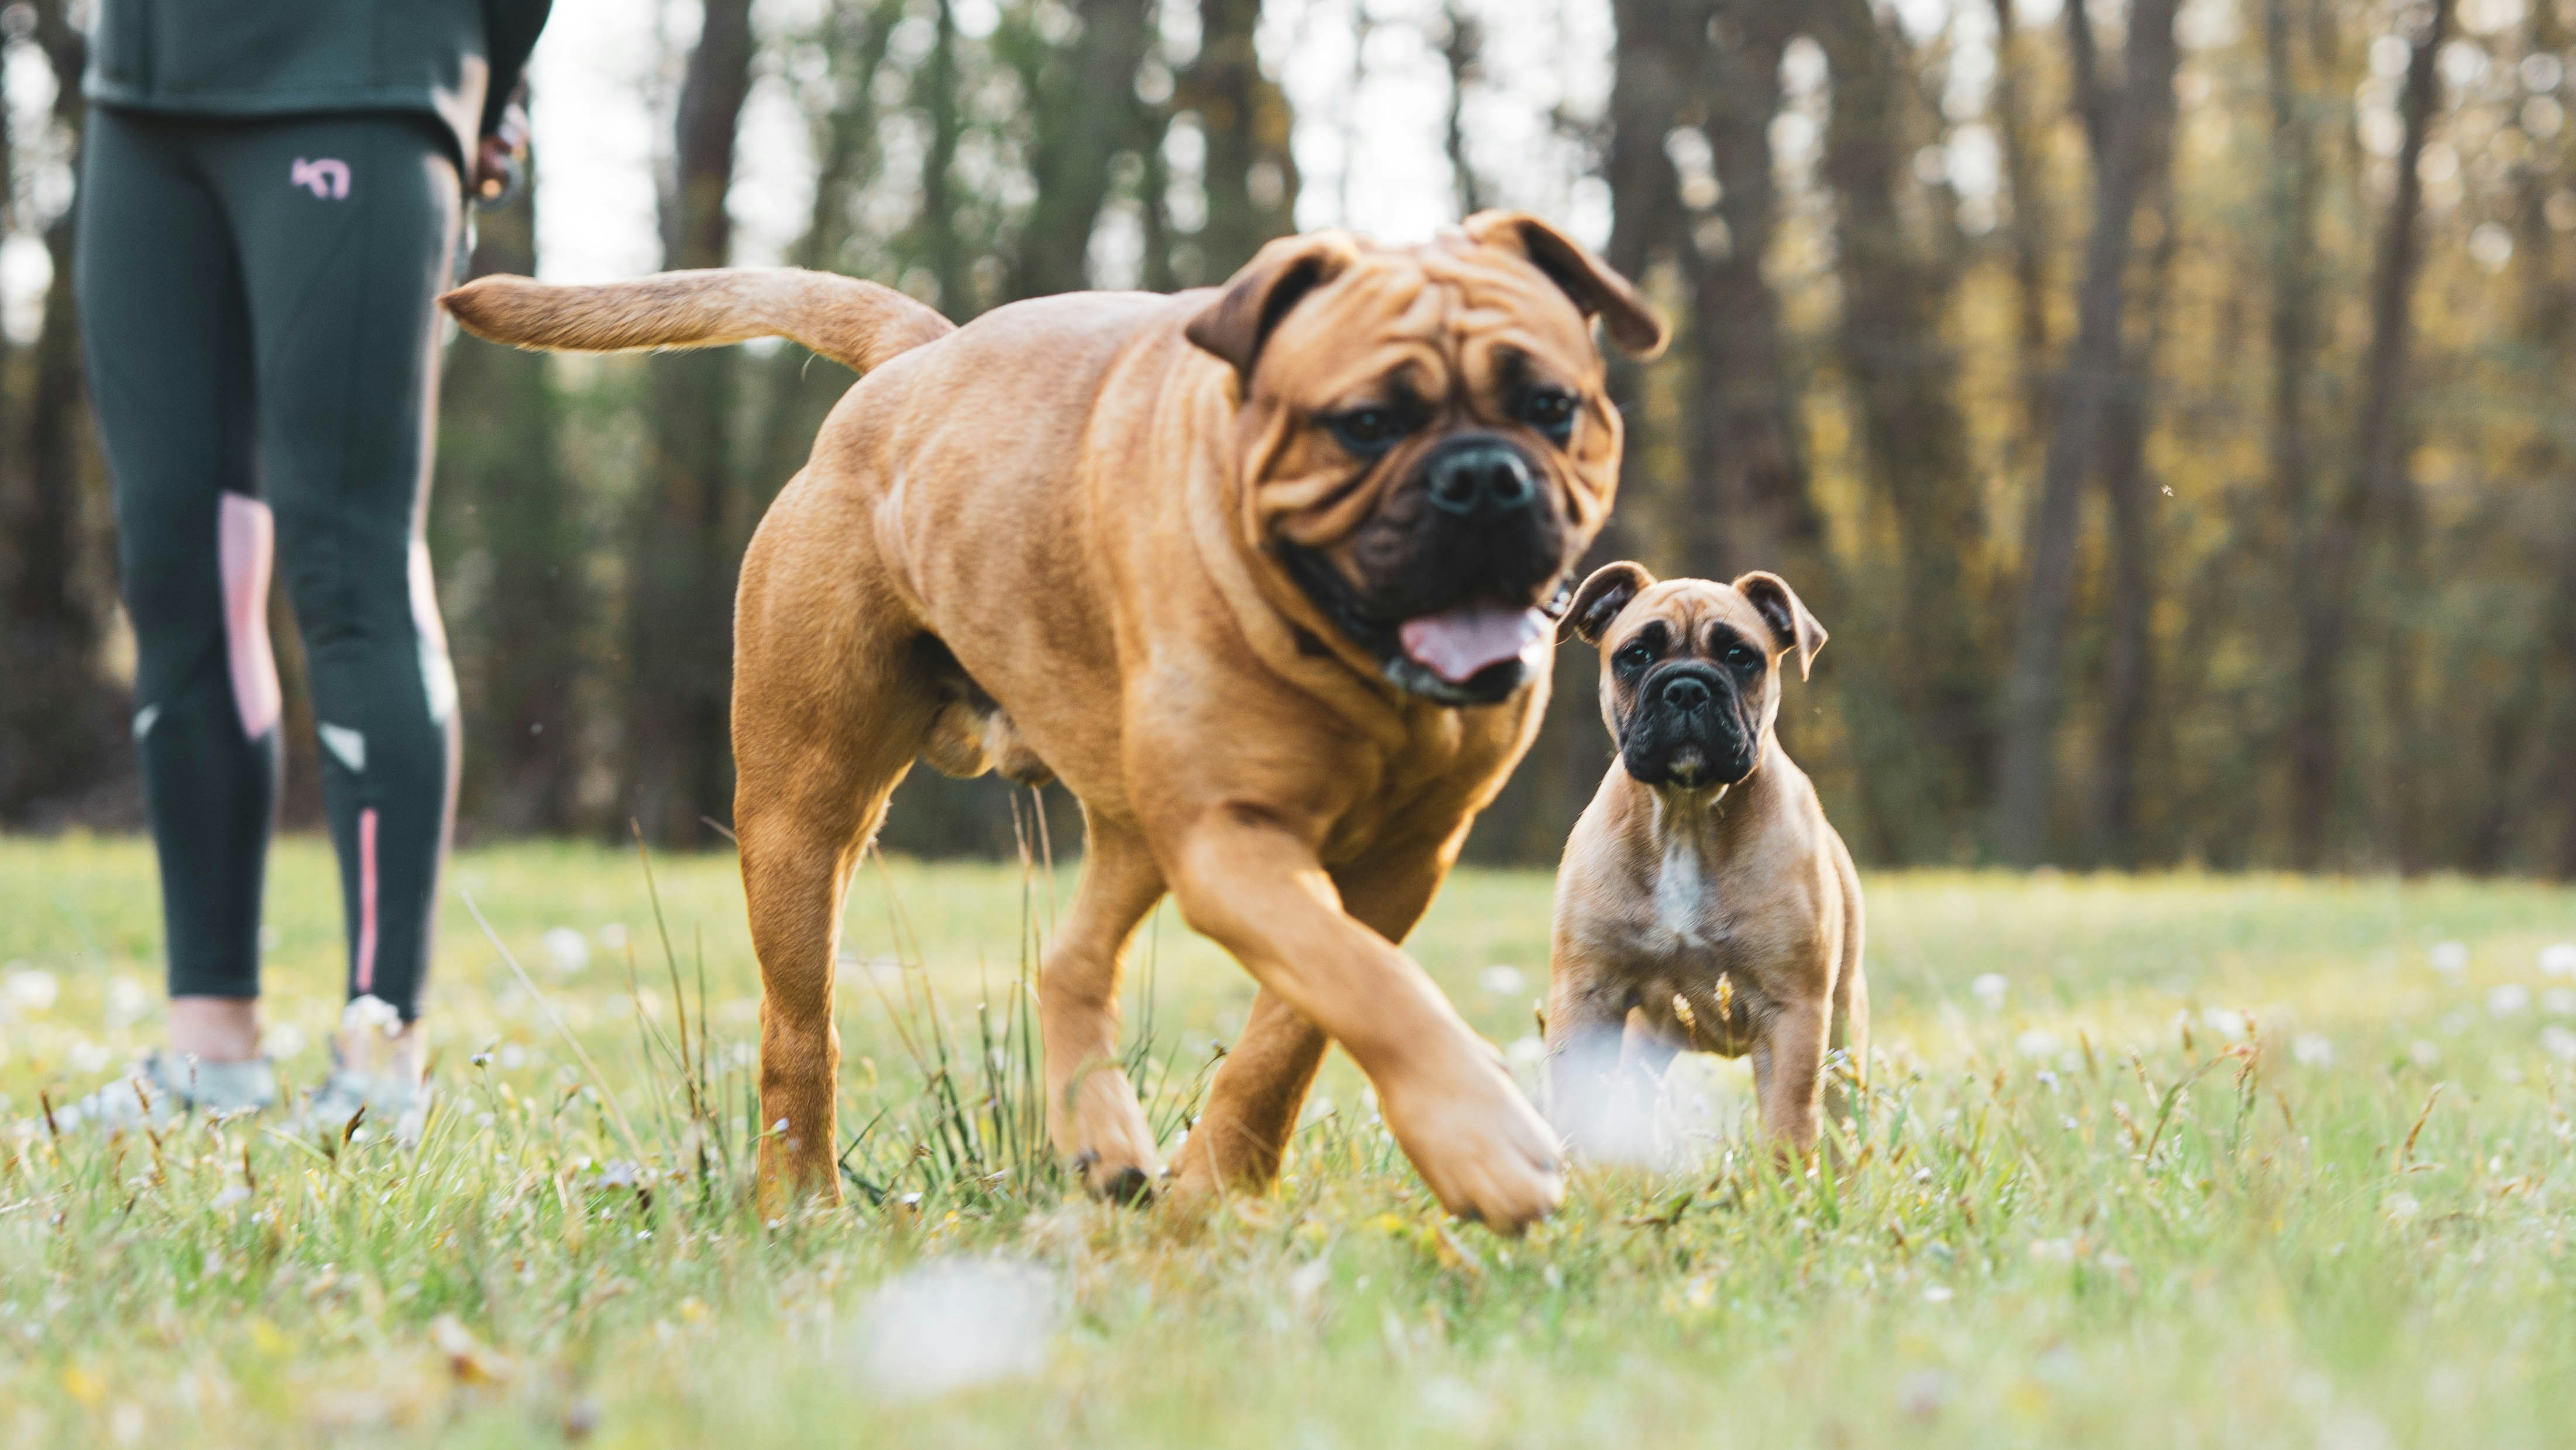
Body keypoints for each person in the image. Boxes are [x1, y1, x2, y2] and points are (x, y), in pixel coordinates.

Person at [59, 0, 552, 1136]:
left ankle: (381, 1057)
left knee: (347, 561)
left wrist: (496, 80)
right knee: (179, 564)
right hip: (145, 91)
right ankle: (209, 1052)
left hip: (366, 70)